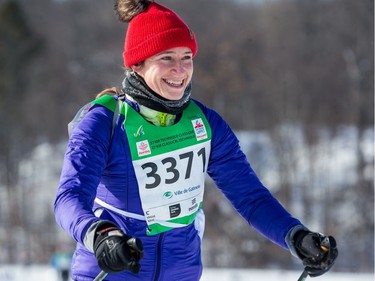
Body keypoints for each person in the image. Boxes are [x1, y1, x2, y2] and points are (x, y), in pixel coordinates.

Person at [54, 0, 338, 280]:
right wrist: (101, 235)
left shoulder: (205, 122)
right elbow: (69, 197)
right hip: (115, 271)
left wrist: (296, 236)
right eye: (166, 57)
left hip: (182, 273)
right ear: (137, 65)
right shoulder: (106, 123)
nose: (180, 70)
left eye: (186, 57)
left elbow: (249, 196)